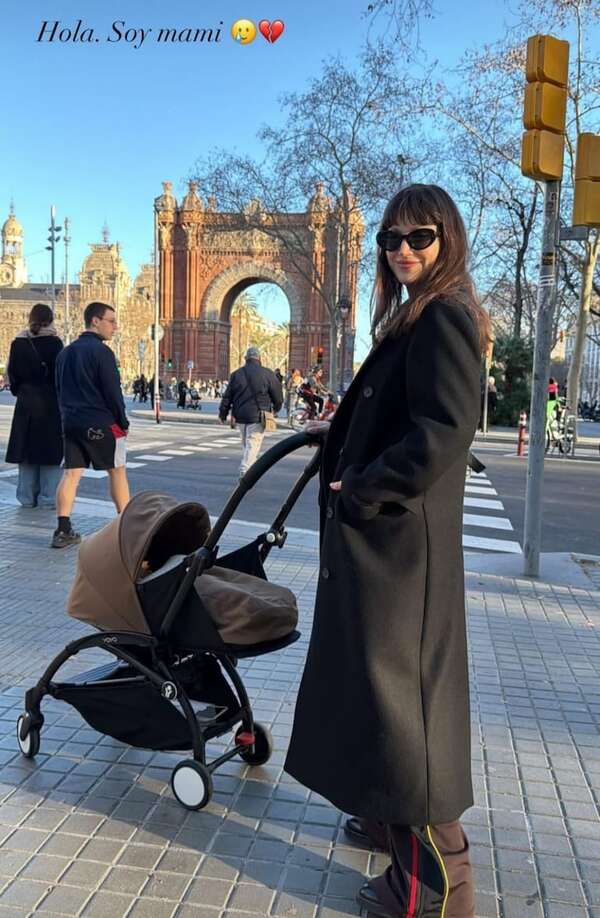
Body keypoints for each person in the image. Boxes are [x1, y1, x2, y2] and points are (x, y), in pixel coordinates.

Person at [285, 184, 491, 918]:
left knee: (409, 716)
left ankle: (439, 890)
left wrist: (363, 487)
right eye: (391, 238)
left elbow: (444, 433)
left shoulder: (444, 318)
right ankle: (384, 820)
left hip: (402, 551)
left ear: (448, 240)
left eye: (420, 236)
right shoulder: (416, 314)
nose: (403, 249)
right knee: (378, 698)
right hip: (388, 546)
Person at [52, 301, 130, 549]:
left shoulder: (65, 353)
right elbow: (112, 392)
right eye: (111, 321)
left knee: (71, 474)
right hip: (101, 422)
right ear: (95, 321)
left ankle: (62, 530)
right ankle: (125, 530)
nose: (115, 327)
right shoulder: (102, 353)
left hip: (71, 422)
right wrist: (122, 421)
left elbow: (58, 389)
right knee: (117, 471)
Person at [5, 303, 64, 508]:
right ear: (50, 320)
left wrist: (22, 391)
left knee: (26, 452)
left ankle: (27, 499)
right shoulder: (55, 344)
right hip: (50, 406)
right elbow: (60, 377)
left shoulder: (18, 343)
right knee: (50, 453)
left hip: (26, 405)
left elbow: (12, 376)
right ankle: (48, 499)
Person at [219, 345, 283, 477]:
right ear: (259, 358)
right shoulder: (268, 374)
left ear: (246, 358)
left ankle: (250, 467)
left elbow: (227, 396)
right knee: (252, 444)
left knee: (247, 444)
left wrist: (223, 413)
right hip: (259, 415)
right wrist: (276, 409)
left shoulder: (236, 374)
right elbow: (278, 395)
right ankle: (245, 470)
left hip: (240, 416)